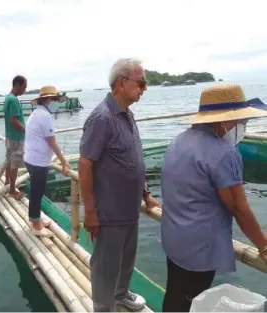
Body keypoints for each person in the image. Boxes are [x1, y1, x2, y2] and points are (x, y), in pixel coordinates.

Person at [160, 83, 267, 312]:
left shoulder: (178, 141)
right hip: (198, 248)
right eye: (241, 121)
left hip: (173, 238)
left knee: (176, 295)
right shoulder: (224, 153)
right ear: (224, 121)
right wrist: (264, 246)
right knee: (191, 301)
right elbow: (238, 207)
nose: (243, 126)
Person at [78, 58, 160, 312]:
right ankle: (104, 307)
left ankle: (121, 294)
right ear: (122, 83)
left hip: (130, 209)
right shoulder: (101, 118)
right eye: (141, 82)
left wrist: (146, 195)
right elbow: (85, 165)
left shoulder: (127, 115)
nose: (144, 88)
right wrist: (90, 212)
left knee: (126, 260)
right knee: (105, 266)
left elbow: (134, 158)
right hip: (109, 212)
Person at [24, 85, 70, 237]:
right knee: (37, 192)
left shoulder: (37, 113)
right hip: (37, 161)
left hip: (32, 158)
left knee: (36, 191)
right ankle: (36, 226)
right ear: (47, 100)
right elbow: (52, 142)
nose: (56, 103)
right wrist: (64, 161)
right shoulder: (44, 116)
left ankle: (35, 220)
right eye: (54, 100)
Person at [4, 75, 27, 199]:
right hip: (16, 137)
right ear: (17, 85)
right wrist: (26, 131)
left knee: (9, 159)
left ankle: (7, 182)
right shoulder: (13, 100)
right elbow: (14, 120)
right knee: (15, 163)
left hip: (9, 136)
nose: (24, 90)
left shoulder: (8, 98)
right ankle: (12, 190)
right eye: (23, 87)